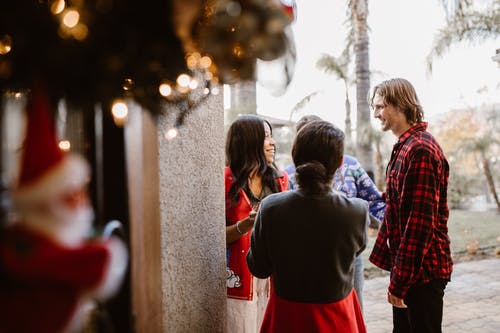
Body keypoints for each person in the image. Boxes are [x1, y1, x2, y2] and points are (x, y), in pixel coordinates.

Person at [0, 88, 128, 333]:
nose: (82, 203)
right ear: (50, 201)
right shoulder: (27, 248)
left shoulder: (46, 238)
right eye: (73, 195)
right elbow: (87, 264)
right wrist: (105, 255)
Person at [247, 120, 368, 333]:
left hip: (287, 318)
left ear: (295, 159)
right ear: (340, 162)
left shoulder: (270, 208)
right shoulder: (357, 211)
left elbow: (259, 268)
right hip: (338, 317)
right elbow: (354, 253)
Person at [369, 78, 452, 333]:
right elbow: (400, 203)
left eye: (381, 106)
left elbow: (419, 225)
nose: (376, 113)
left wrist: (399, 282)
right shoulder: (405, 146)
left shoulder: (420, 150)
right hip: (411, 270)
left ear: (400, 105)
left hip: (423, 272)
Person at [284, 115, 385, 310]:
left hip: (348, 256)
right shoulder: (287, 175)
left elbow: (374, 200)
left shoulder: (352, 165)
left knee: (353, 308)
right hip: (304, 257)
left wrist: (396, 232)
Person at [225, 115, 288, 332]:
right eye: (266, 137)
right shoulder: (224, 180)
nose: (273, 143)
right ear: (249, 142)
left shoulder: (280, 181)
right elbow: (212, 236)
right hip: (237, 280)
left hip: (273, 280)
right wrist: (246, 224)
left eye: (272, 137)